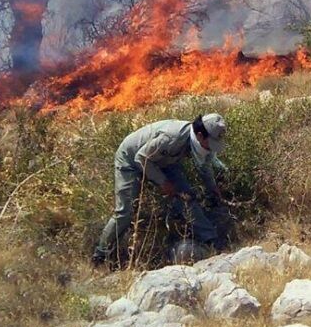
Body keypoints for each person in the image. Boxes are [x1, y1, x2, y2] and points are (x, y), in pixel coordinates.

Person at [93, 113, 229, 267]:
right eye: (210, 143)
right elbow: (141, 158)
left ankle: (211, 241)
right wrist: (163, 182)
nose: (211, 147)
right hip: (131, 160)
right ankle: (100, 255)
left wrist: (213, 188)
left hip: (164, 162)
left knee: (186, 198)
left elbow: (204, 166)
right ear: (200, 135)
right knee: (125, 212)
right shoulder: (172, 138)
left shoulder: (197, 142)